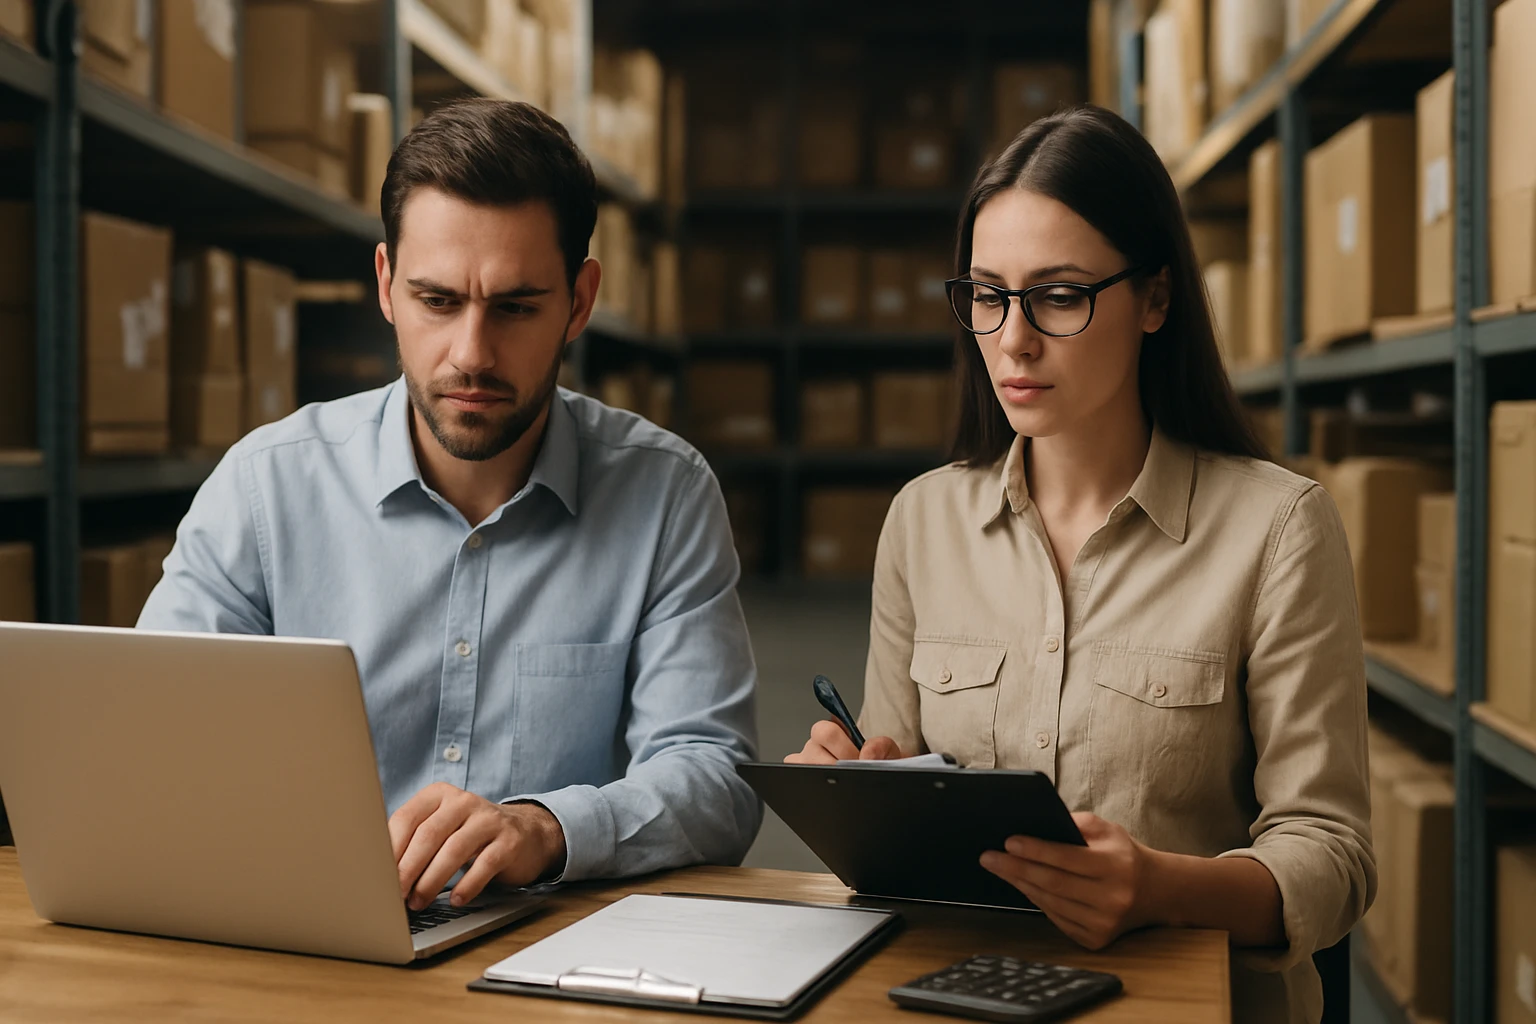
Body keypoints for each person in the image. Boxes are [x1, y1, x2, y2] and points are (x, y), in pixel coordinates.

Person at [787, 106, 1372, 1024]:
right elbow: (899, 792)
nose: (1012, 339)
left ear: (1155, 300)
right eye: (988, 295)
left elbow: (1333, 857)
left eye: (1059, 296)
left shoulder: (1279, 528)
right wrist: (861, 787)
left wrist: (1162, 889)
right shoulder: (923, 521)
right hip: (953, 994)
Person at [140, 98, 762, 911]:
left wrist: (546, 828)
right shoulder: (265, 489)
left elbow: (716, 777)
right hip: (310, 931)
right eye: (437, 302)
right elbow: (155, 743)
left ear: (579, 302)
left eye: (515, 307)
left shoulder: (666, 495)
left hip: (550, 947)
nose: (471, 354)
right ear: (386, 285)